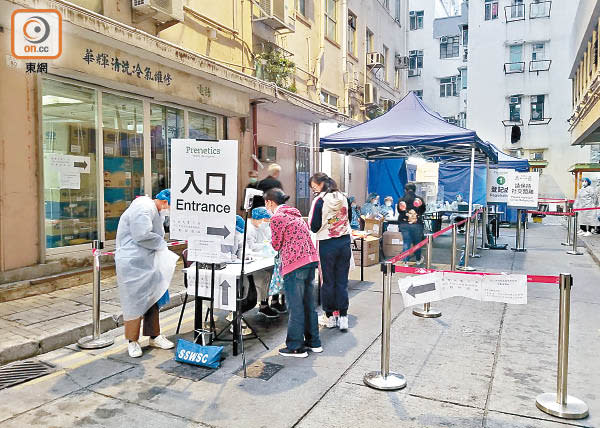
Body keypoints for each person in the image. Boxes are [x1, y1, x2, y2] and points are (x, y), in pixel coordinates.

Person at [115, 189, 175, 358]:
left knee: (153, 298)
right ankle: (132, 341)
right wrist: (161, 244)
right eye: (170, 206)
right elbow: (141, 234)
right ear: (164, 202)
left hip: (147, 261)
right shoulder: (143, 207)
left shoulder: (154, 210)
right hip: (132, 263)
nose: (169, 211)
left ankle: (154, 336)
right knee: (133, 302)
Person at [265, 188, 321, 358]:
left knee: (295, 306)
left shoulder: (277, 217)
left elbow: (276, 244)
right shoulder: (295, 214)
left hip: (294, 264)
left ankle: (296, 346)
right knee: (307, 304)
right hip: (310, 260)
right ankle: (314, 342)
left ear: (269, 202)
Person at [309, 173, 352, 331]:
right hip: (344, 242)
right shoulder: (344, 197)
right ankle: (343, 317)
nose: (313, 189)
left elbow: (313, 226)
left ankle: (329, 317)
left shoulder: (320, 200)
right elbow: (349, 218)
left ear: (320, 185)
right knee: (342, 280)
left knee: (327, 281)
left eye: (314, 186)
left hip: (326, 244)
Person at [246, 207, 279, 319]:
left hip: (261, 258)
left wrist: (267, 244)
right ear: (255, 218)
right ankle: (263, 305)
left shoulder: (259, 228)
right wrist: (264, 245)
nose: (263, 223)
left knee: (272, 273)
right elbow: (251, 247)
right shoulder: (249, 229)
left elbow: (266, 239)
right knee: (265, 276)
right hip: (253, 261)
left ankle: (268, 303)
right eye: (262, 220)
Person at [397, 183, 426, 265]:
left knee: (406, 242)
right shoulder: (419, 199)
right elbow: (423, 210)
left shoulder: (401, 200)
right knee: (417, 242)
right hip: (417, 224)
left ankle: (405, 261)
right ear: (415, 190)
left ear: (405, 190)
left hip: (404, 223)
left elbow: (400, 211)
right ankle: (418, 260)